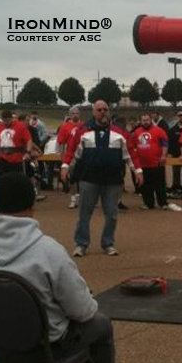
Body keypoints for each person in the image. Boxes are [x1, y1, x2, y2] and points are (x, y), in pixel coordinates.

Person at [0, 172, 116, 363]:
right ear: (32, 204)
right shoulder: (48, 250)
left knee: (8, 319)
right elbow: (83, 312)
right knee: (101, 325)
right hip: (46, 349)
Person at [61, 100, 143, 257]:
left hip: (113, 181)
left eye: (105, 109)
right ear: (93, 112)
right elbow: (72, 152)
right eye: (99, 109)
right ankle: (81, 244)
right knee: (84, 213)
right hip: (88, 179)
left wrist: (138, 171)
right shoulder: (83, 131)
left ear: (109, 111)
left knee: (111, 214)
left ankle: (108, 243)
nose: (103, 112)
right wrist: (65, 167)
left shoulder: (120, 133)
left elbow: (131, 154)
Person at [133, 114, 175, 210]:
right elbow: (134, 146)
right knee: (145, 186)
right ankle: (148, 204)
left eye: (147, 120)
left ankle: (163, 203)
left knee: (160, 184)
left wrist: (164, 155)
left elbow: (165, 143)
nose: (145, 122)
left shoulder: (159, 130)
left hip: (157, 163)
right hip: (143, 164)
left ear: (151, 120)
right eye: (143, 120)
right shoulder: (137, 132)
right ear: (141, 121)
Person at [0, 109, 33, 178]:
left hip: (17, 159)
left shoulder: (21, 127)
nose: (6, 123)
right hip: (3, 159)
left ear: (11, 118)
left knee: (17, 180)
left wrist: (28, 152)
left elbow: (29, 140)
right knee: (4, 179)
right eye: (4, 121)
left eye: (8, 121)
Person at [57, 106, 83, 208]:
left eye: (77, 113)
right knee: (72, 178)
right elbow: (61, 143)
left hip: (83, 155)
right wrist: (62, 158)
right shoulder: (65, 127)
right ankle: (73, 199)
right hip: (71, 155)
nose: (75, 115)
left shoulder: (83, 125)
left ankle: (82, 197)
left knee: (83, 178)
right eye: (73, 113)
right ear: (70, 114)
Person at [168, 111, 182, 195]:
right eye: (179, 116)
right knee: (176, 172)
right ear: (177, 118)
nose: (181, 118)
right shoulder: (172, 129)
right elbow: (170, 142)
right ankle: (176, 187)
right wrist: (170, 153)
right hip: (175, 154)